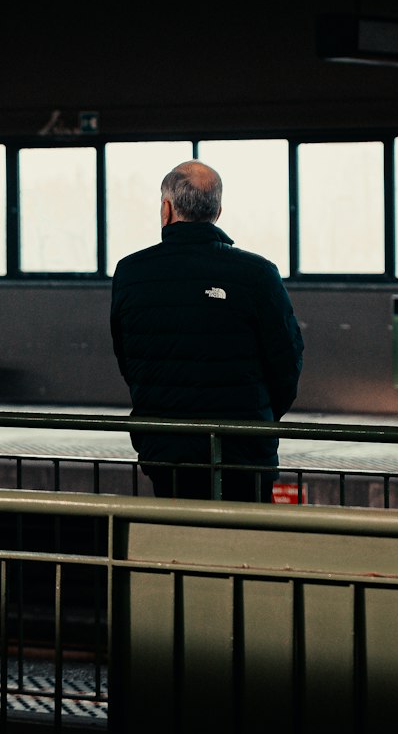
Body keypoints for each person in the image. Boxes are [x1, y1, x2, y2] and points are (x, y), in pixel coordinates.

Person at [109, 160, 304, 500]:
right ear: (218, 211)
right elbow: (287, 362)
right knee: (248, 542)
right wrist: (259, 418)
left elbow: (128, 361)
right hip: (244, 450)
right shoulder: (257, 274)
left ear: (166, 209)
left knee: (178, 544)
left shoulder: (130, 273)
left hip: (166, 448)